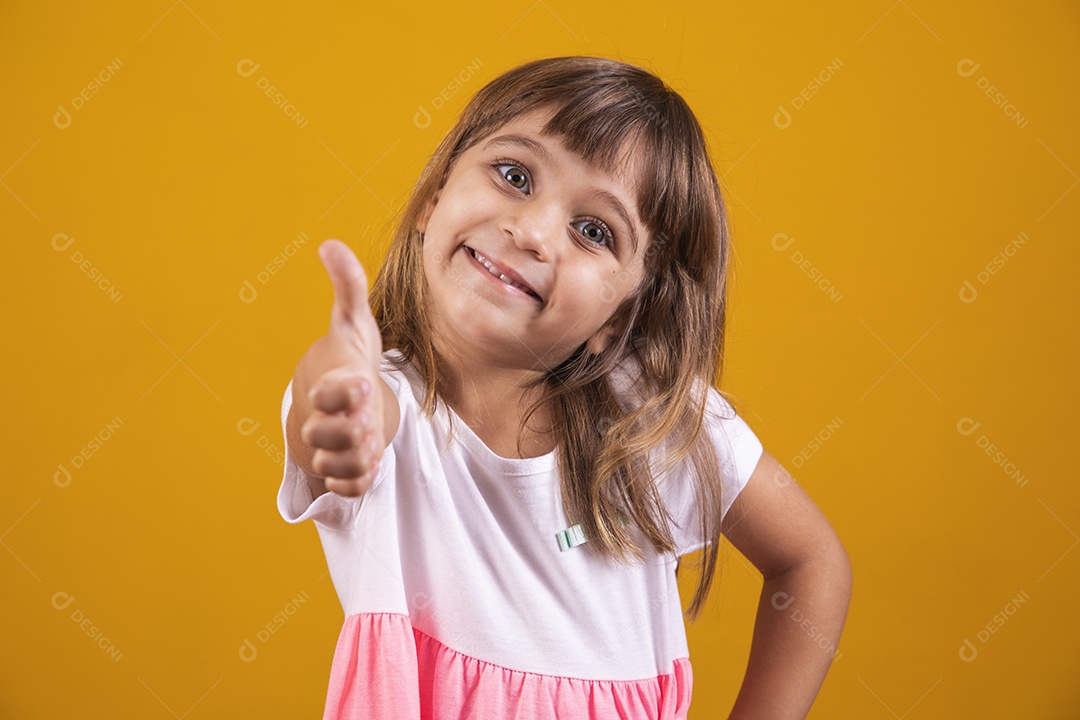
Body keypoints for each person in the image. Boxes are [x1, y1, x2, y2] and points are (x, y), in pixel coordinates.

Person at [277, 55, 852, 720]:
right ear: (434, 197)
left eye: (594, 231)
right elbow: (337, 402)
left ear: (623, 315)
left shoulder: (657, 422)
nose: (532, 231)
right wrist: (340, 399)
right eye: (515, 176)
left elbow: (812, 562)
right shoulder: (386, 411)